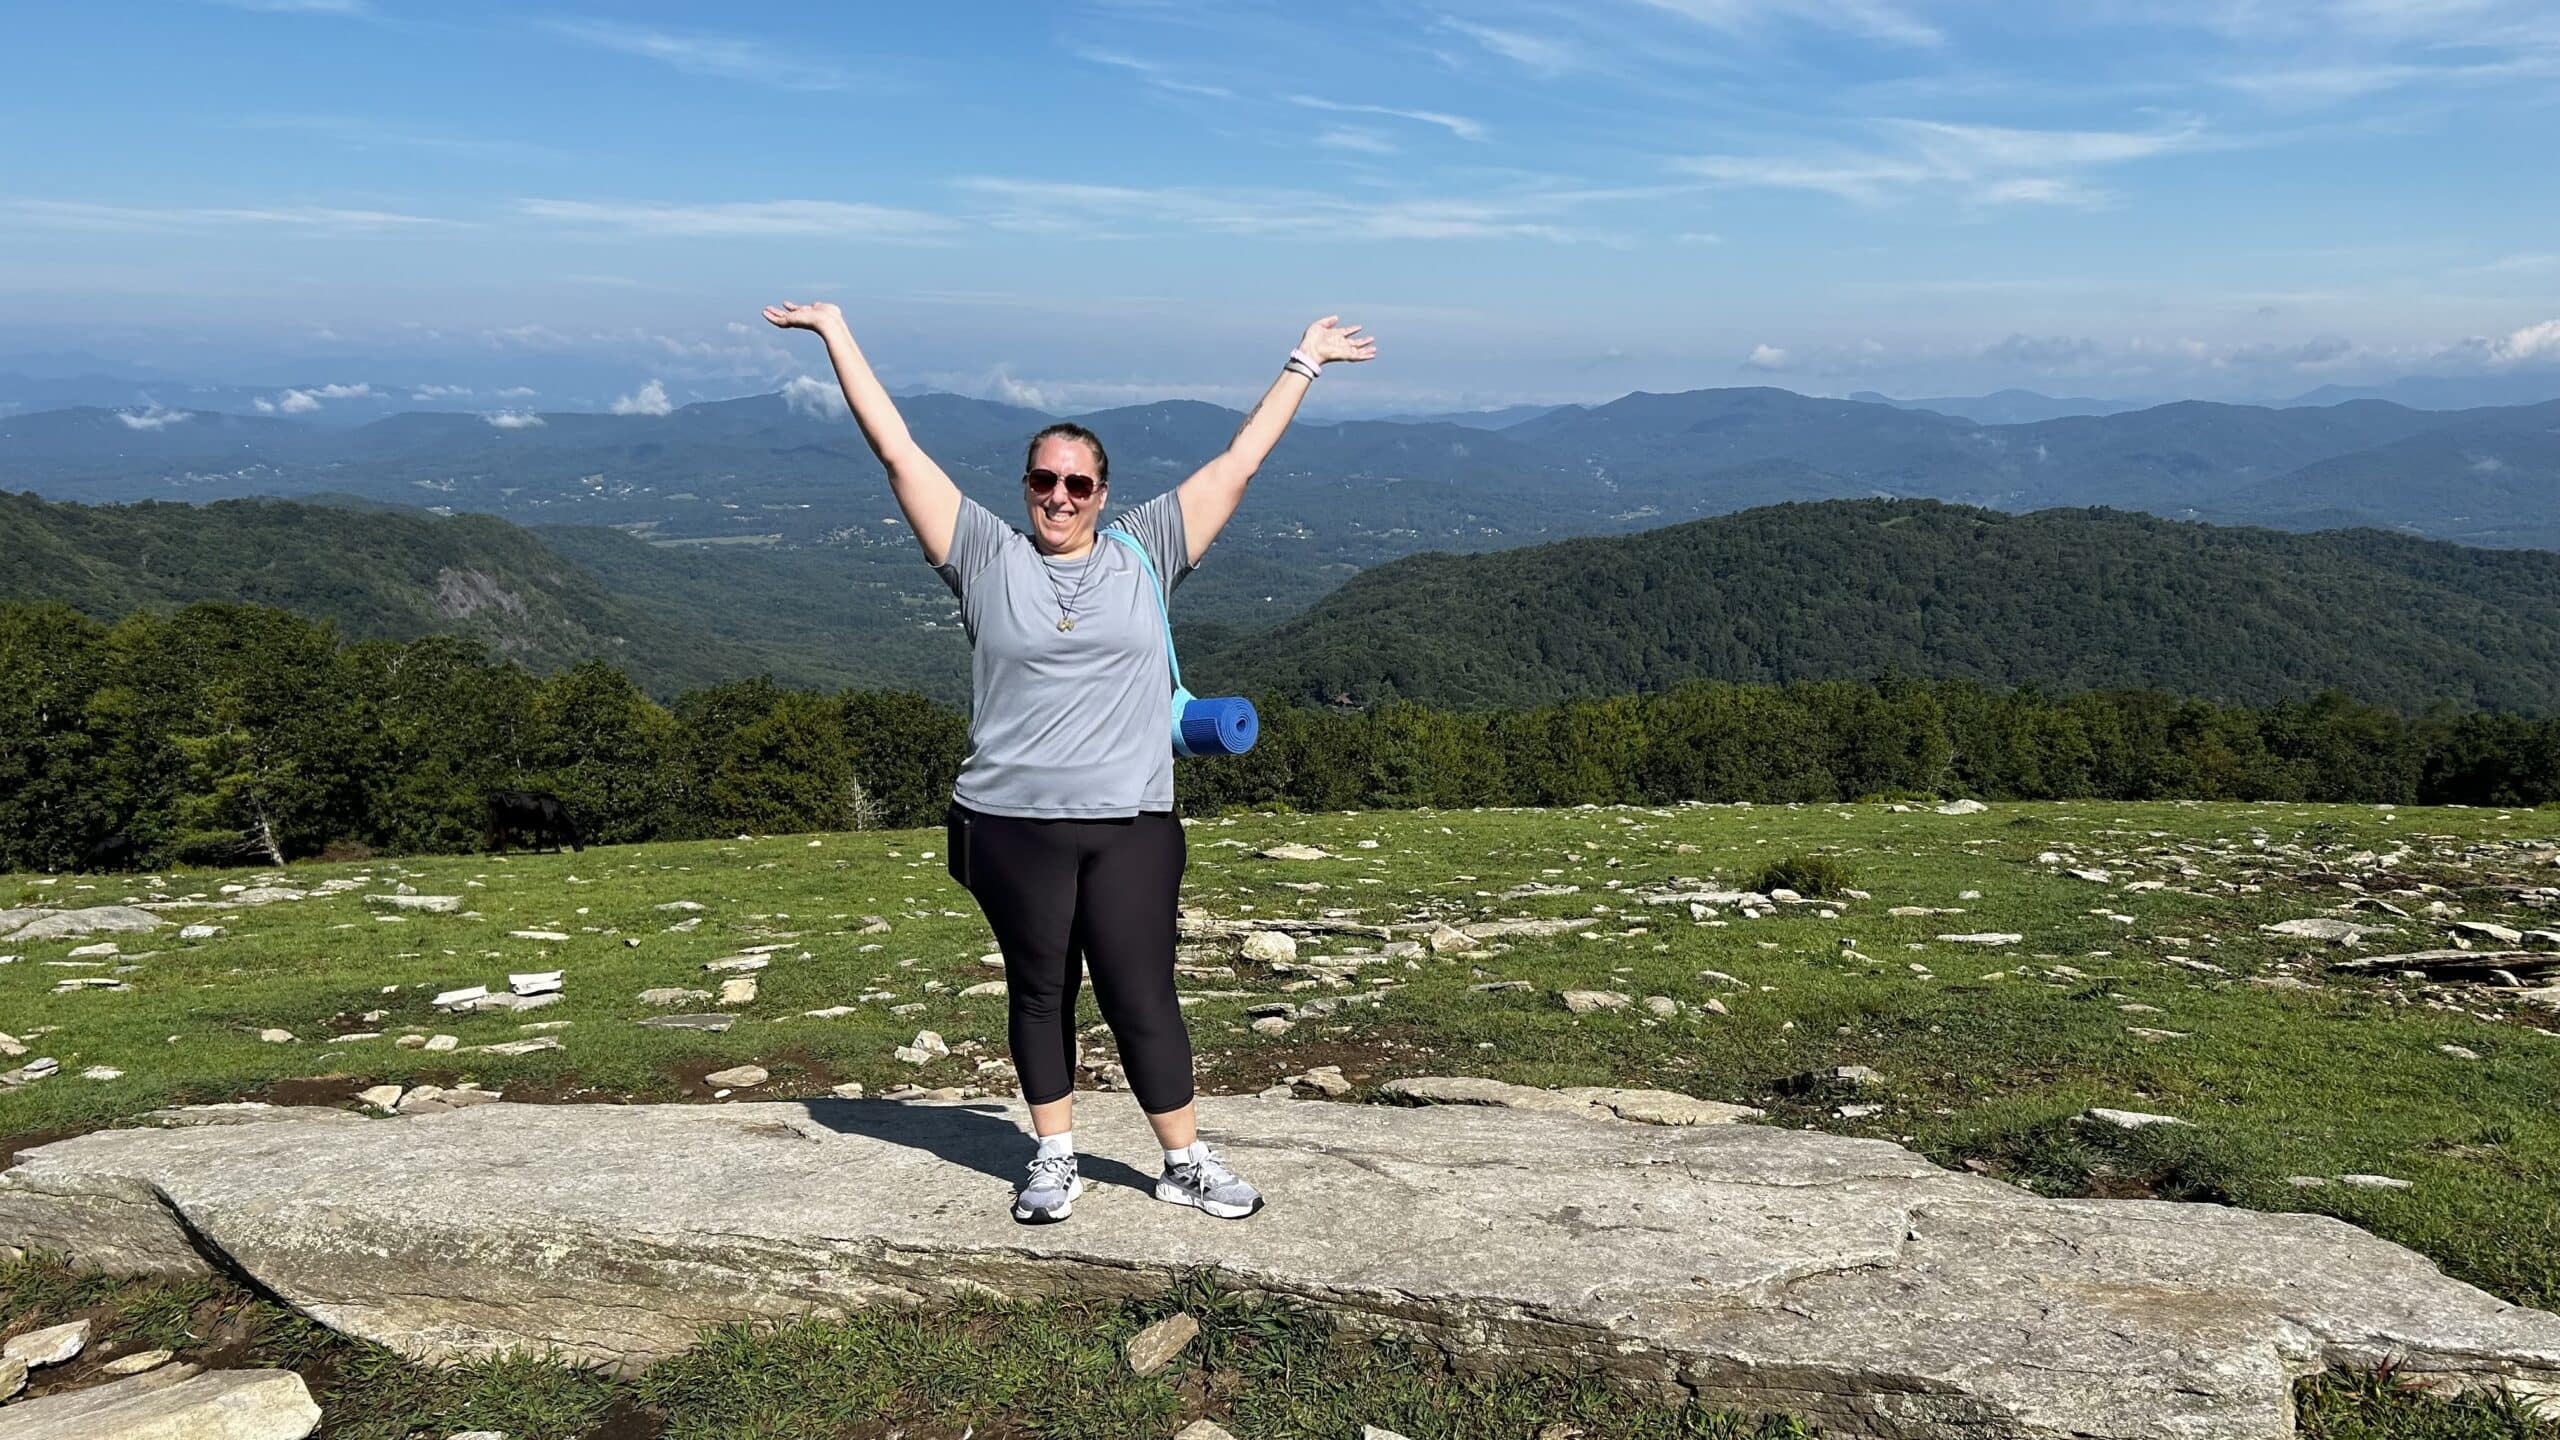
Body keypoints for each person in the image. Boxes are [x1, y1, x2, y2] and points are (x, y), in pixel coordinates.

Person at [764, 299, 1377, 1223]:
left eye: (1078, 484)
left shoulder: (1149, 550)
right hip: (1010, 826)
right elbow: (898, 452)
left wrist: (1306, 359)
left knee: (1142, 992)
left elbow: (1238, 464)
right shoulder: (981, 555)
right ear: (1024, 486)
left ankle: (1185, 1160)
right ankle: (1053, 1155)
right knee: (1040, 989)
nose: (1059, 496)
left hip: (1131, 822)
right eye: (1044, 480)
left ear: (1103, 492)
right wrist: (836, 332)